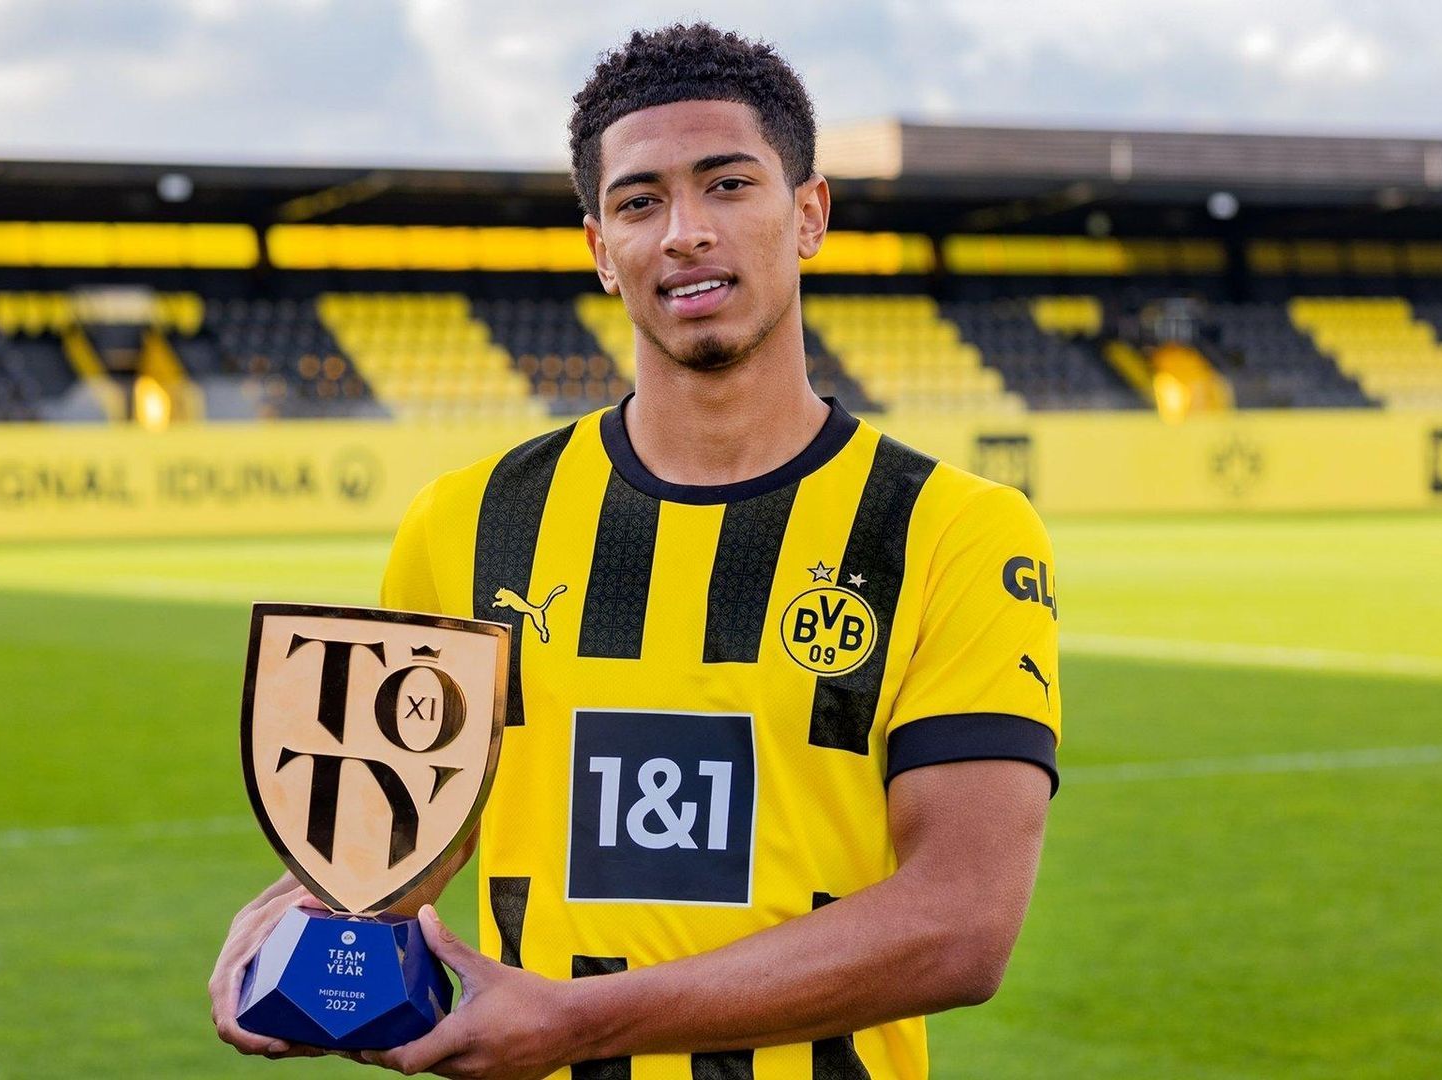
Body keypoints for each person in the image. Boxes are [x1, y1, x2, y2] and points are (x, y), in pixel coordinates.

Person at [210, 23, 1061, 1080]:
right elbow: (401, 842)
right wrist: (289, 921)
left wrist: (585, 1020)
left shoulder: (953, 529)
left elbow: (963, 921)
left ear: (809, 215)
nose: (685, 233)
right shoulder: (463, 525)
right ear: (599, 250)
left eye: (729, 186)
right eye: (640, 201)